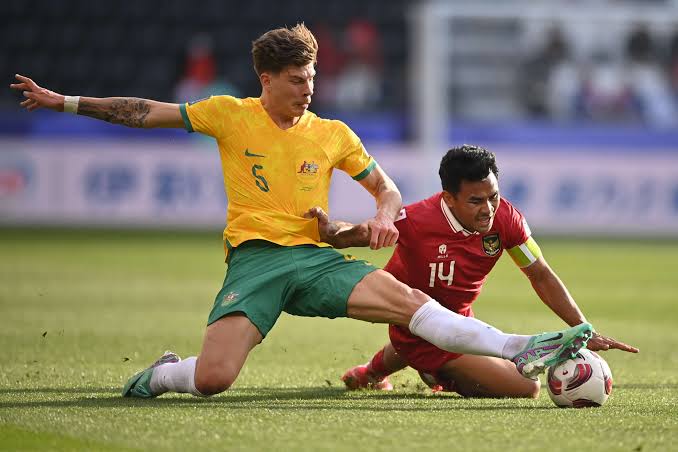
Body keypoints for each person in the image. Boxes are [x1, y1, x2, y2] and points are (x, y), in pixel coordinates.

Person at [11, 24, 594, 400]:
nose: (307, 89)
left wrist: (386, 215)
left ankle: (519, 346)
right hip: (257, 262)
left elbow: (385, 189)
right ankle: (163, 373)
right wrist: (65, 102)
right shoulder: (227, 114)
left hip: (315, 260)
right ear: (266, 80)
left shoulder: (333, 133)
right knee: (213, 380)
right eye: (295, 80)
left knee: (412, 302)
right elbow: (142, 111)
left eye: (312, 77)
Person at [314, 145, 638, 397]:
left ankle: (371, 372)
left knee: (503, 358)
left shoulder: (507, 220)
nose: (488, 209)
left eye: (493, 197)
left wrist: (583, 327)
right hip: (416, 326)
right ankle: (435, 373)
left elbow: (540, 273)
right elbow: (359, 231)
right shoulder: (415, 220)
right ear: (449, 198)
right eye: (476, 201)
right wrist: (332, 232)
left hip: (461, 323)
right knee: (527, 388)